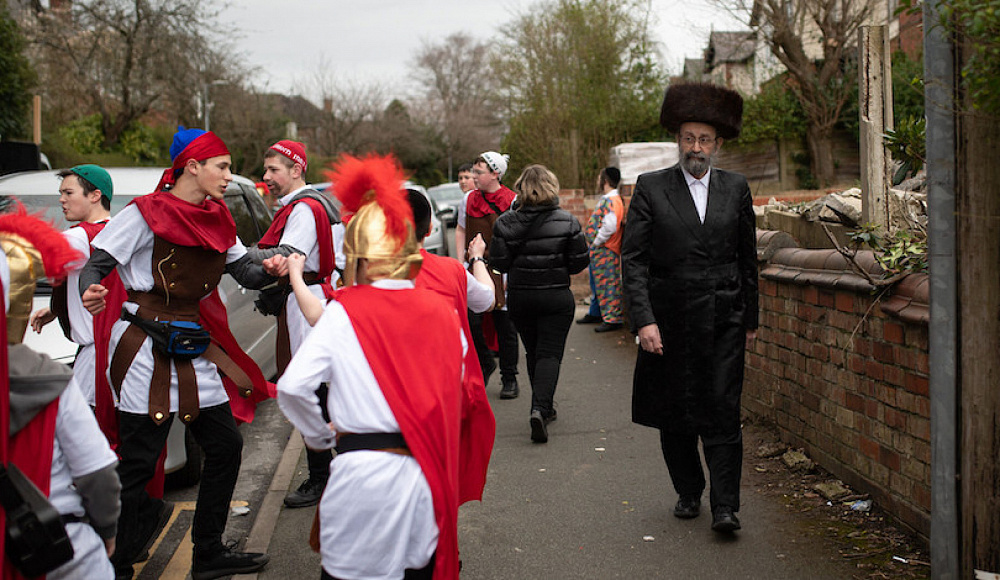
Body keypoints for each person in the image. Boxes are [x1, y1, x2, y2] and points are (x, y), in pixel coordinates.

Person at [277, 153, 493, 580]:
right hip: (425, 473)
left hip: (361, 475)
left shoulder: (344, 311)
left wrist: (321, 438)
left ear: (359, 257)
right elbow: (456, 384)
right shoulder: (441, 310)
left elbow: (292, 387)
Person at [78, 127, 274, 579]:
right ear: (193, 166)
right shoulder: (144, 214)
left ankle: (207, 553)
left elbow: (243, 269)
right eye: (221, 166)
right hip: (145, 350)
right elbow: (100, 259)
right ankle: (114, 564)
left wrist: (276, 268)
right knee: (140, 461)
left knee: (225, 446)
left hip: (192, 346)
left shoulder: (219, 216)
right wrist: (91, 287)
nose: (229, 175)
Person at [621, 82, 758, 534]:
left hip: (723, 319)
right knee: (675, 411)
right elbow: (634, 259)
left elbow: (746, 259)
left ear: (717, 145)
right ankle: (688, 489)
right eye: (688, 138)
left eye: (704, 140)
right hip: (669, 319)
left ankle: (725, 506)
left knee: (722, 409)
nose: (696, 148)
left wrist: (750, 321)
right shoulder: (651, 188)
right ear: (677, 141)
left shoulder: (736, 188)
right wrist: (643, 320)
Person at [1, 206, 121, 580]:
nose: (63, 199)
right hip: (60, 550)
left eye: (68, 192)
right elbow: (97, 472)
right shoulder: (50, 379)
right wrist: (107, 532)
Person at [250, 140, 344, 509]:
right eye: (266, 169)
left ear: (296, 170)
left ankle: (324, 477)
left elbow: (288, 257)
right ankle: (329, 473)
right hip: (309, 299)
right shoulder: (305, 205)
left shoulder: (303, 209)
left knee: (311, 388)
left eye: (273, 170)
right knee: (318, 387)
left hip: (309, 302)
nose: (266, 176)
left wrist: (243, 259)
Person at [490, 164, 589, 443]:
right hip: (556, 296)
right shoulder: (568, 221)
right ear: (551, 188)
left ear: (521, 188)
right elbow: (579, 263)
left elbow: (498, 264)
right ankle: (540, 407)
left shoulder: (505, 222)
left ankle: (542, 407)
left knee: (533, 351)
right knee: (549, 354)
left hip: (521, 296)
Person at [462, 152, 520, 399]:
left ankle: (509, 378)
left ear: (495, 173)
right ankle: (486, 363)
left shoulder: (512, 200)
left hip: (502, 270)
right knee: (471, 323)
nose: (473, 176)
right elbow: (461, 229)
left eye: (479, 172)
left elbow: (517, 238)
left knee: (504, 328)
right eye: (473, 171)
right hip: (474, 268)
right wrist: (459, 260)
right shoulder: (467, 199)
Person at [584, 167, 625, 333]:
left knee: (608, 285)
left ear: (605, 181)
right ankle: (607, 316)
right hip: (604, 249)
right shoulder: (613, 199)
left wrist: (596, 242)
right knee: (605, 284)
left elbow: (609, 225)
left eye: (599, 178)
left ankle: (612, 319)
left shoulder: (610, 200)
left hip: (605, 249)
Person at [452, 162, 476, 252]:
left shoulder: (476, 198)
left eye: (467, 177)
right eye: (460, 178)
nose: (463, 181)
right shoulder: (465, 199)